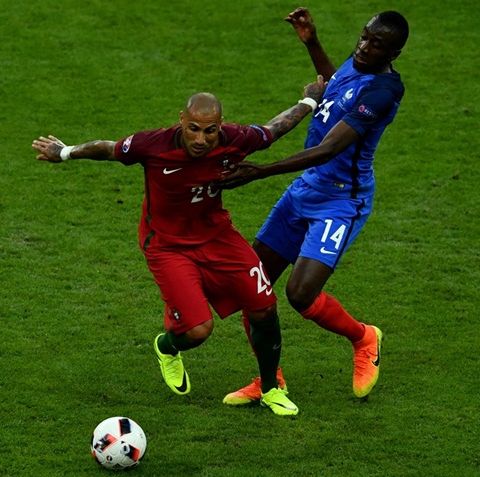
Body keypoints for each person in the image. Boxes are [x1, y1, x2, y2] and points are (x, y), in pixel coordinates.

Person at [31, 78, 326, 416]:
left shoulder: (235, 139)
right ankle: (167, 346)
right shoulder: (152, 145)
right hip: (167, 245)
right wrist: (64, 152)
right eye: (194, 129)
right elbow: (108, 149)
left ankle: (271, 389)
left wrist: (308, 102)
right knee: (198, 331)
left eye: (210, 131)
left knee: (264, 308)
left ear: (220, 126)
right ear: (182, 121)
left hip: (218, 237)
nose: (201, 139)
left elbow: (272, 130)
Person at [217, 8, 409, 404]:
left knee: (301, 293)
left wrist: (260, 171)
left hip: (342, 200)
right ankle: (270, 381)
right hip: (307, 188)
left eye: (376, 44)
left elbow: (329, 148)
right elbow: (338, 87)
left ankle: (364, 337)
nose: (363, 46)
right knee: (252, 284)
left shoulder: (384, 92)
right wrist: (312, 43)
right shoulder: (358, 64)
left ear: (393, 54)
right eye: (364, 35)